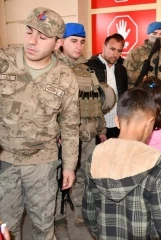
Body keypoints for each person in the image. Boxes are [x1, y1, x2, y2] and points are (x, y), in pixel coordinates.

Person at [0, 7, 79, 239]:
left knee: (44, 227)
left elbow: (70, 125)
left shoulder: (65, 77)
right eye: (29, 32)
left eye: (42, 37)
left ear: (57, 44)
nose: (32, 41)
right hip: (4, 161)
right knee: (6, 228)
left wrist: (69, 166)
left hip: (42, 164)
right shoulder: (4, 62)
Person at [82, 88, 161, 239]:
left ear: (116, 121)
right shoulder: (156, 162)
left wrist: (98, 234)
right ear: (150, 123)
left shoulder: (96, 154)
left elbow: (88, 211)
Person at [53, 23, 107, 238]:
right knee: (59, 179)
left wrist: (101, 129)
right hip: (64, 137)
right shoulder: (54, 68)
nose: (78, 46)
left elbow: (95, 101)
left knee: (84, 175)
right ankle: (58, 217)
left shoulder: (86, 69)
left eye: (82, 41)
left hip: (87, 134)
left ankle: (81, 210)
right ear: (61, 42)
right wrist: (56, 134)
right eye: (73, 41)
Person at [86, 33, 128, 139]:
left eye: (119, 51)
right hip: (96, 127)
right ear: (104, 47)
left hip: (117, 124)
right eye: (112, 49)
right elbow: (87, 102)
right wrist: (100, 129)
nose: (115, 54)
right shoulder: (89, 67)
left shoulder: (121, 70)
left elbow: (124, 96)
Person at [124, 21, 161, 87]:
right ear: (148, 34)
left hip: (159, 93)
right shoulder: (136, 52)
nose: (158, 37)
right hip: (141, 92)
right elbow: (127, 72)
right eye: (154, 33)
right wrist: (143, 77)